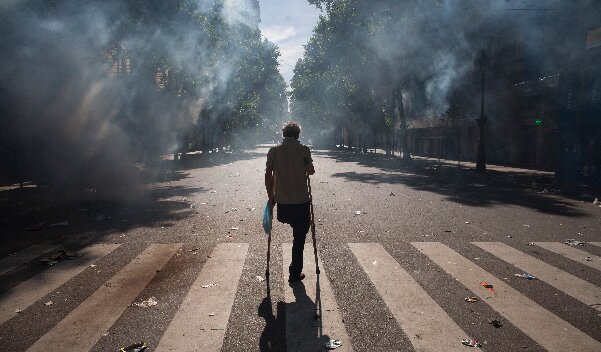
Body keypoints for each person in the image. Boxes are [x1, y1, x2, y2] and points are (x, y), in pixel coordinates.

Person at [265, 121, 315, 282]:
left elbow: (268, 175)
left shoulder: (274, 151)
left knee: (293, 227)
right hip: (301, 201)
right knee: (299, 238)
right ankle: (294, 272)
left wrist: (270, 197)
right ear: (298, 135)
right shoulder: (304, 150)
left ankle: (293, 270)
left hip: (283, 204)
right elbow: (311, 172)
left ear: (283, 134)